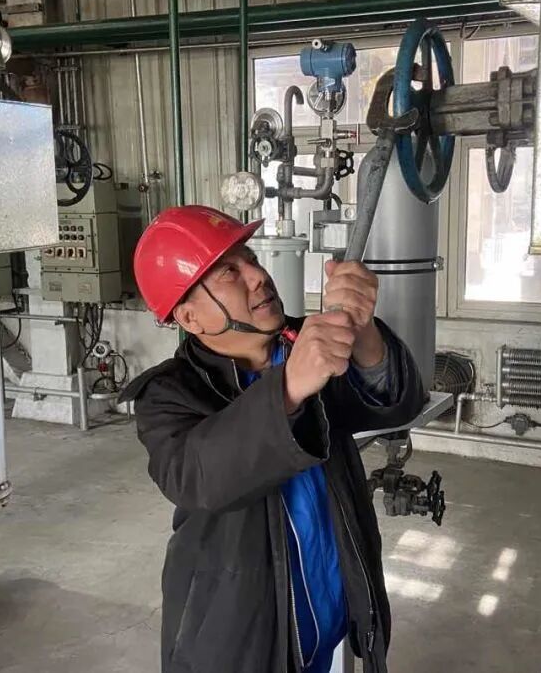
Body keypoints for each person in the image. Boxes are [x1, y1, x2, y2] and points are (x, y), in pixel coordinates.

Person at [120, 205, 426, 673]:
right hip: (243, 636)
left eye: (250, 260)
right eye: (228, 272)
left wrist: (362, 332)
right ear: (190, 317)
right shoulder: (168, 393)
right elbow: (197, 477)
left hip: (327, 614)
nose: (258, 277)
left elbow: (395, 406)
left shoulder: (306, 341)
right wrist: (288, 388)